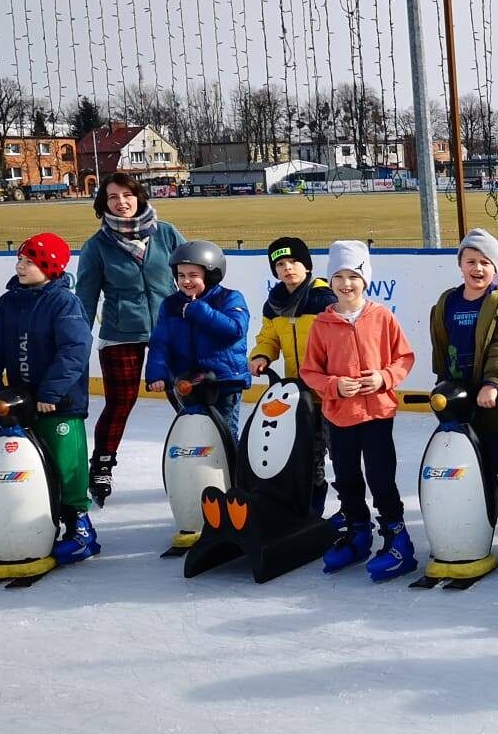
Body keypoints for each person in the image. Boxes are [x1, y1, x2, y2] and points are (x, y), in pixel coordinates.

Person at [0, 233, 100, 565]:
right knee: (35, 467)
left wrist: (50, 393)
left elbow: (74, 350)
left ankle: (80, 528)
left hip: (61, 405)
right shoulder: (8, 302)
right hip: (24, 404)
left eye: (29, 261)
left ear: (50, 267)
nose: (20, 266)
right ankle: (43, 523)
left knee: (67, 465)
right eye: (20, 260)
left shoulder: (64, 302)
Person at [300, 240, 419, 581]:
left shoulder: (382, 317)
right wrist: (334, 386)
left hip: (378, 414)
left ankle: (398, 539)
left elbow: (404, 358)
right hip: (340, 416)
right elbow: (311, 371)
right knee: (348, 476)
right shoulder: (322, 325)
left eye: (353, 276)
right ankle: (357, 532)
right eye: (339, 277)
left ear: (365, 279)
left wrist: (383, 378)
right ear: (330, 281)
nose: (346, 284)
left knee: (381, 477)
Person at [75, 172, 187, 507]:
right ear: (103, 204)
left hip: (168, 329)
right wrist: (77, 340)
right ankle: (102, 466)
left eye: (127, 195)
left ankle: (204, 453)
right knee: (120, 402)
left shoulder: (166, 233)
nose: (121, 202)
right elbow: (85, 296)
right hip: (121, 333)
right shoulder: (97, 246)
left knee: (184, 396)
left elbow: (192, 275)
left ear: (138, 196)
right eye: (112, 197)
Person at [429, 230, 498, 556]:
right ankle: (475, 524)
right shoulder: (447, 301)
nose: (477, 269)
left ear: (496, 268)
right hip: (458, 399)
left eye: (485, 263)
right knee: (469, 466)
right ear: (460, 264)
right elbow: (442, 346)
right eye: (471, 261)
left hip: (496, 396)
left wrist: (491, 382)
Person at [249, 237, 338, 516]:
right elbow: (269, 337)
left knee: (338, 451)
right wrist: (262, 355)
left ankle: (349, 508)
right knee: (308, 454)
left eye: (293, 262)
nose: (287, 268)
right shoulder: (274, 304)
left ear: (307, 266)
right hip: (299, 396)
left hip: (331, 393)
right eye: (280, 264)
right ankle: (311, 508)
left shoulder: (325, 299)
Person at [145, 239, 251, 430]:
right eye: (181, 275)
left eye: (193, 275)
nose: (186, 281)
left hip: (223, 382)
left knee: (223, 432)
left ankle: (229, 460)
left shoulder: (229, 298)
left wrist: (199, 311)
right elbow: (160, 343)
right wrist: (156, 374)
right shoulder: (170, 305)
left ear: (210, 275)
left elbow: (235, 330)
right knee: (194, 431)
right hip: (188, 383)